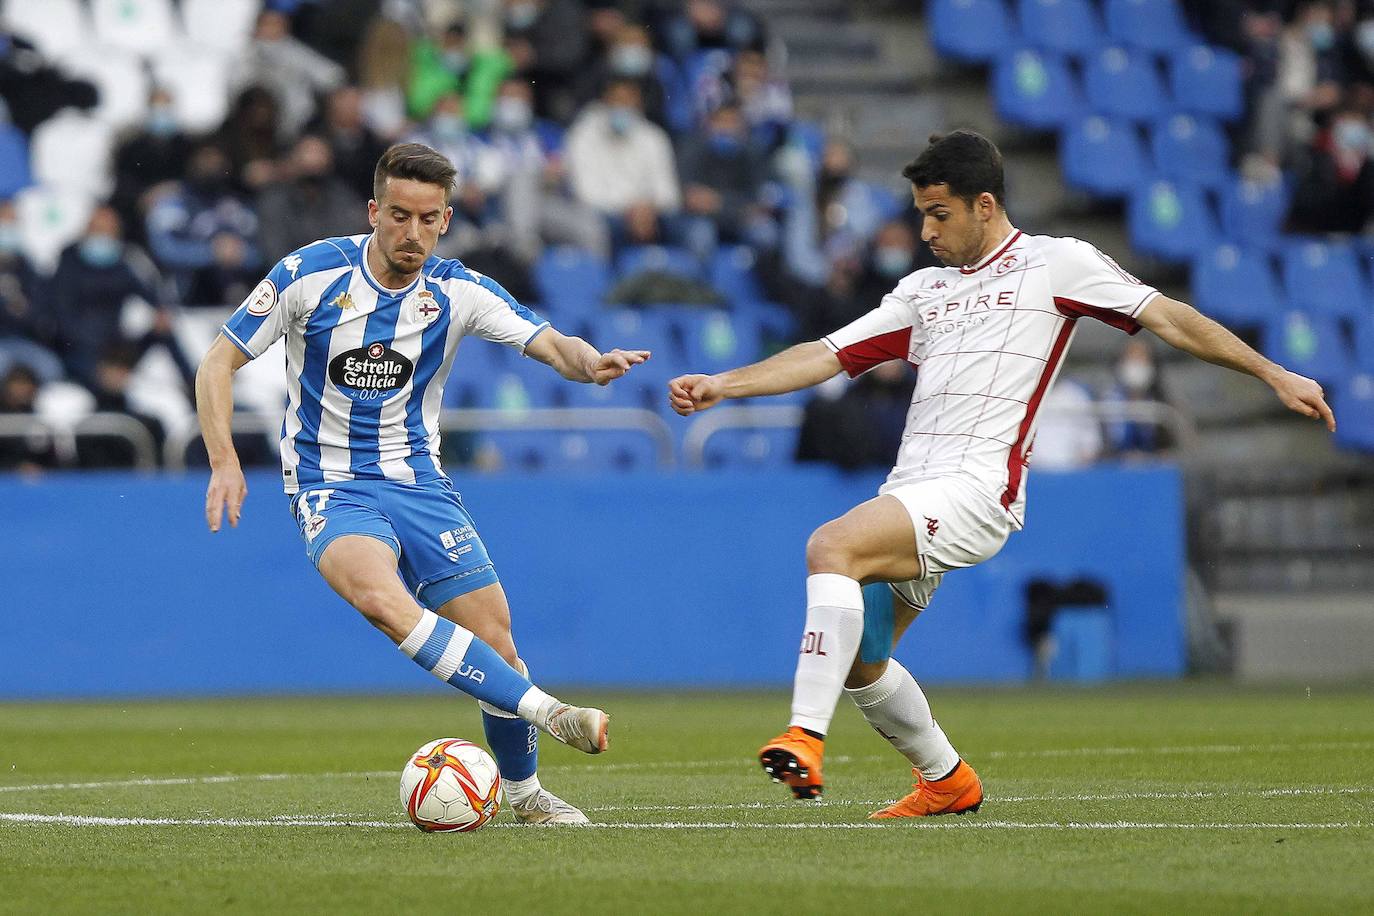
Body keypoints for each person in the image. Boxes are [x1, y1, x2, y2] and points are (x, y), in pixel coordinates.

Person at [667, 130, 1335, 817]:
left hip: (979, 490)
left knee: (830, 546)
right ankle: (947, 780)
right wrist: (726, 384)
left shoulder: (1056, 266)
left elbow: (1169, 317)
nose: (925, 230)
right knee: (862, 658)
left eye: (939, 213)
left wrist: (1273, 371)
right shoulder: (923, 293)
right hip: (912, 490)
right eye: (921, 214)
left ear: (984, 205)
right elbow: (827, 354)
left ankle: (804, 736)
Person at [197, 143, 650, 825]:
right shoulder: (309, 273)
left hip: (419, 487)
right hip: (331, 485)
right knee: (382, 600)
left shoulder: (457, 291)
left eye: (427, 219)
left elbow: (552, 342)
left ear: (446, 220)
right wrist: (224, 458)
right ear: (374, 211)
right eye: (399, 216)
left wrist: (593, 364)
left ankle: (526, 798)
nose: (411, 234)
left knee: (497, 643)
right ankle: (550, 712)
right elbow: (216, 362)